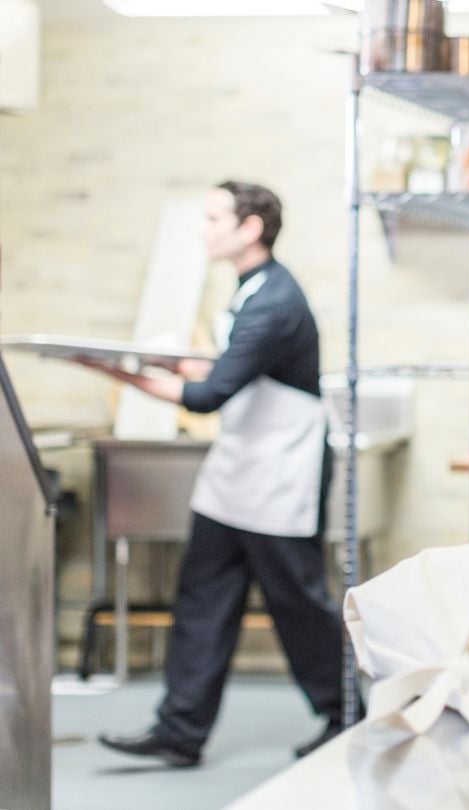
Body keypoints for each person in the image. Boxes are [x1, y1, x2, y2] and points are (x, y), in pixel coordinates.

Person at [82, 181, 346, 766]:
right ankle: (180, 733)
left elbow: (207, 395)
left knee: (298, 605)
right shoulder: (250, 290)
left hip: (280, 476)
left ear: (250, 228)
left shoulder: (277, 301)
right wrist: (157, 362)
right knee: (202, 599)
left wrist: (113, 370)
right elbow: (228, 368)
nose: (203, 229)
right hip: (235, 475)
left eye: (212, 217)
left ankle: (348, 716)